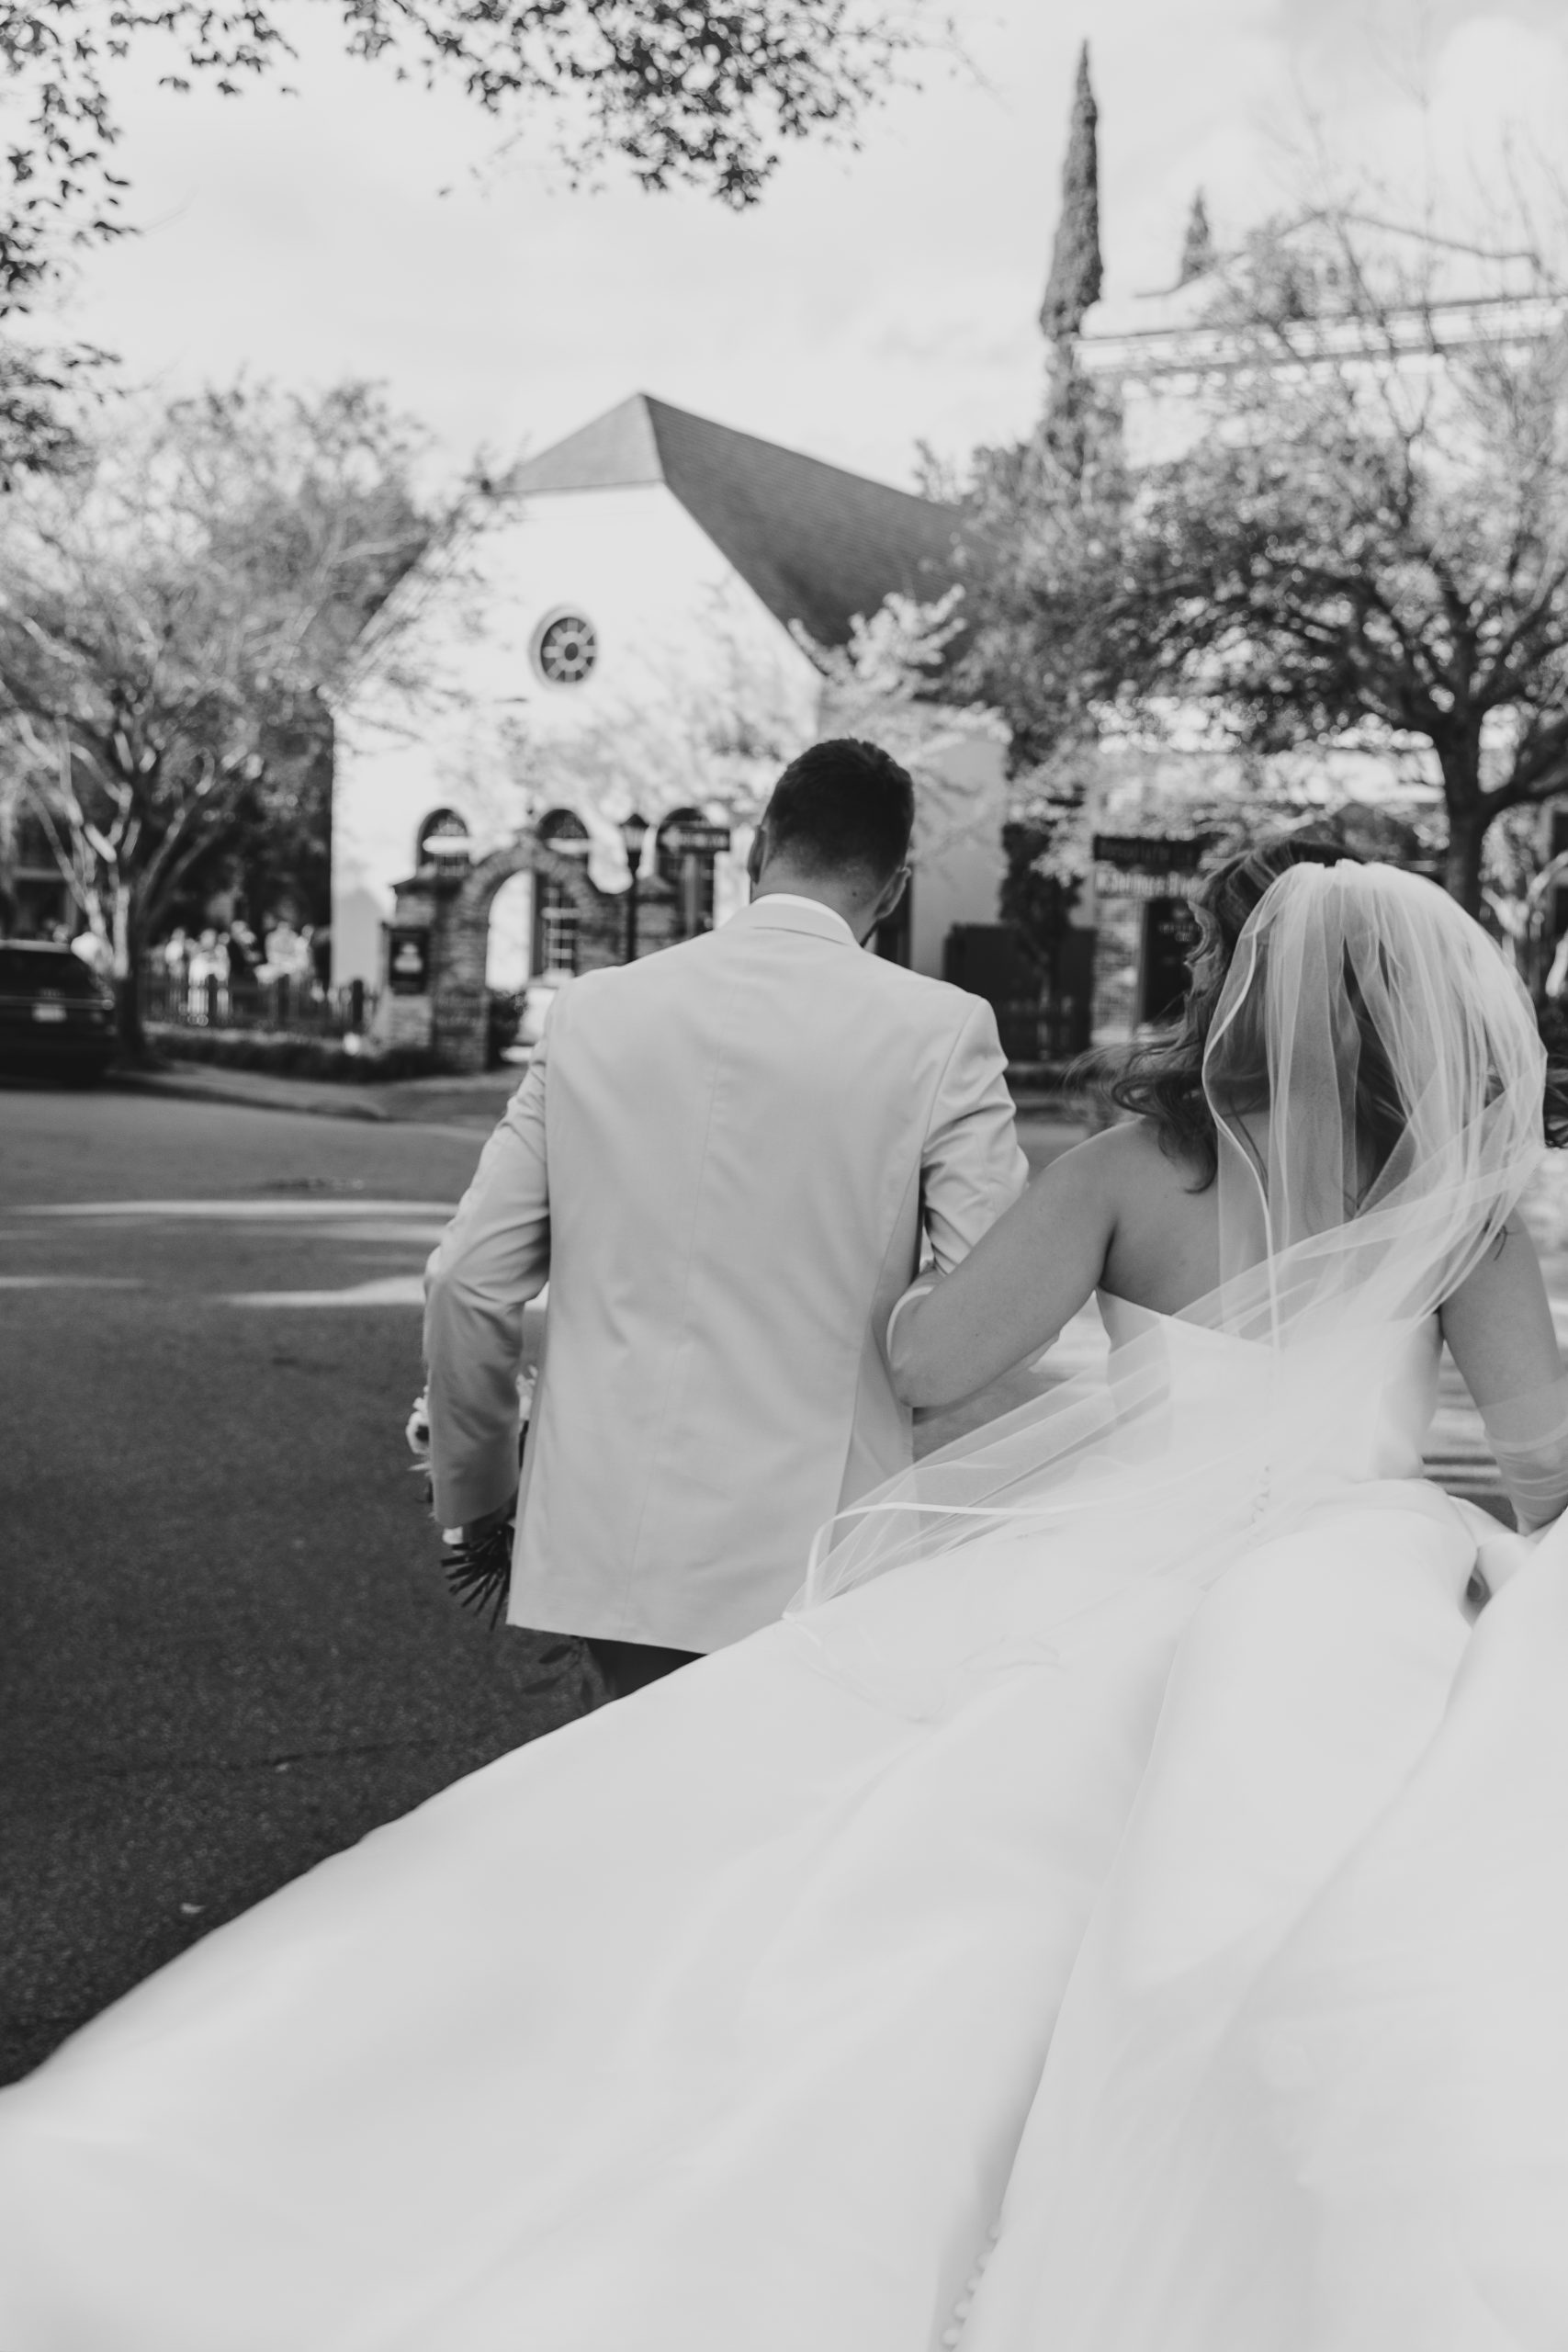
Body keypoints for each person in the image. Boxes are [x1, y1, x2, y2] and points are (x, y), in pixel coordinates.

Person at [3, 842, 1568, 2352]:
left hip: (1111, 1571)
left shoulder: (1123, 1178)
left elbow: (935, 1362)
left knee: (902, 1880)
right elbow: (1546, 1468)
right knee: (1337, 1906)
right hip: (1357, 1596)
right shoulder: (1457, 1221)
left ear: (1234, 997)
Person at [422, 737, 1028, 1698]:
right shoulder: (943, 1033)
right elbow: (990, 1305)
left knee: (624, 1826)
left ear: (757, 848)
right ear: (897, 885)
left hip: (611, 1540)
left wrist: (483, 1490)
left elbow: (467, 1279)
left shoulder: (591, 1012)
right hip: (820, 1548)